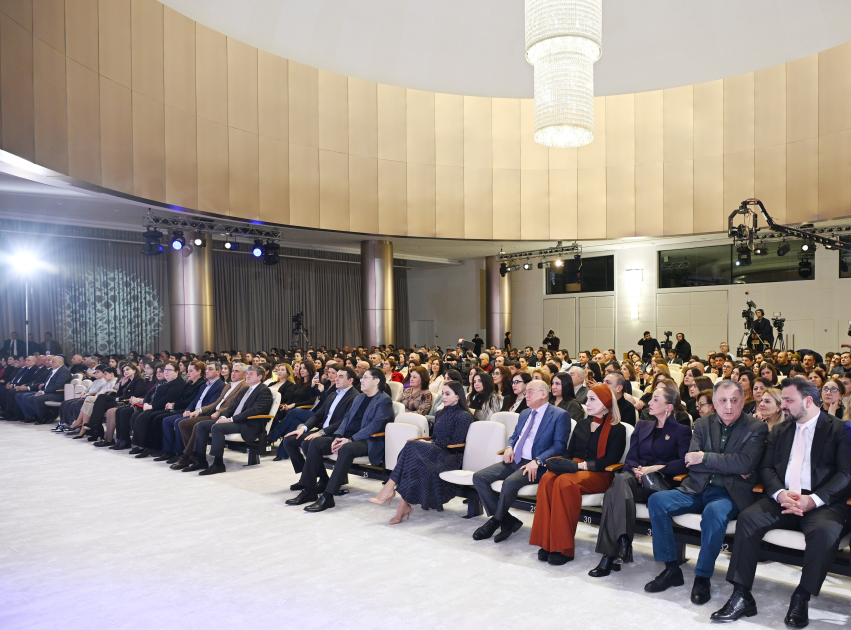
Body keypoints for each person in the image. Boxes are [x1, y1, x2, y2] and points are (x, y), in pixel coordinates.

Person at [712, 377, 851, 626]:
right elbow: (766, 468)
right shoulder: (780, 430)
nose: (783, 405)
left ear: (808, 401)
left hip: (823, 503)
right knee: (748, 519)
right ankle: (741, 595)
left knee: (825, 532)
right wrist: (779, 493)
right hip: (783, 498)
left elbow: (846, 473)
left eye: (788, 400)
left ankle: (802, 596)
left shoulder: (839, 429)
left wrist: (814, 500)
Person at [645, 380, 768, 606]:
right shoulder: (702, 424)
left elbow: (745, 463)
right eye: (723, 400)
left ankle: (702, 577)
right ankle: (671, 569)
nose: (728, 406)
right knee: (657, 501)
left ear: (743, 401)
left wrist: (705, 457)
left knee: (714, 512)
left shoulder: (756, 427)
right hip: (695, 488)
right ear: (714, 403)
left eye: (734, 400)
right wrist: (729, 464)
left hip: (728, 494)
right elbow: (691, 461)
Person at [589, 386, 691, 577]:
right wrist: (638, 471)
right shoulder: (642, 425)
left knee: (612, 493)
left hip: (659, 486)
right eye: (651, 399)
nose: (649, 403)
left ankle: (613, 552)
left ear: (669, 406)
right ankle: (620, 544)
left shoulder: (681, 431)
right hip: (634, 481)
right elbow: (631, 457)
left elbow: (683, 464)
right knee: (621, 482)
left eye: (656, 399)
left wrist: (655, 468)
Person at [529, 384, 627, 565]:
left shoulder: (617, 429)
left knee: (564, 482)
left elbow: (610, 460)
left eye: (592, 399)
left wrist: (581, 466)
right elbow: (569, 452)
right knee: (548, 478)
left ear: (605, 403)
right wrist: (564, 465)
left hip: (599, 473)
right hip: (574, 468)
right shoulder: (582, 424)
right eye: (587, 398)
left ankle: (564, 548)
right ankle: (547, 542)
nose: (587, 403)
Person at [471, 381, 570, 544]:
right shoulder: (525, 413)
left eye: (530, 391)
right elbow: (515, 436)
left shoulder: (559, 415)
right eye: (526, 392)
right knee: (479, 477)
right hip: (515, 460)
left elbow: (559, 446)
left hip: (535, 465)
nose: (526, 395)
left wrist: (538, 460)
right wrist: (509, 447)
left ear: (543, 394)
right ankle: (508, 521)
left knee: (509, 483)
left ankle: (495, 521)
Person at [286, 368, 394, 512]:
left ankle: (328, 496)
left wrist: (351, 439)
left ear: (376, 381)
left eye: (365, 377)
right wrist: (337, 437)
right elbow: (346, 419)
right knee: (313, 442)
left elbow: (375, 426)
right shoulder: (360, 398)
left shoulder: (384, 400)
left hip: (367, 441)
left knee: (346, 448)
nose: (361, 380)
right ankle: (309, 490)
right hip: (346, 437)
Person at [369, 381, 475, 523]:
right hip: (435, 452)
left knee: (412, 446)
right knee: (412, 459)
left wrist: (431, 443)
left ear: (458, 396)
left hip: (449, 456)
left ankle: (390, 489)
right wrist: (431, 442)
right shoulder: (440, 413)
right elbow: (435, 437)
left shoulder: (464, 416)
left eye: (447, 394)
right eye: (443, 393)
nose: (443, 397)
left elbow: (456, 442)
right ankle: (401, 506)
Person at [187, 365, 273, 475]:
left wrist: (231, 419)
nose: (247, 375)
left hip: (248, 424)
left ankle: (218, 464)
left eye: (251, 373)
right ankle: (200, 460)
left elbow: (254, 410)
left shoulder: (264, 391)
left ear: (260, 377)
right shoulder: (246, 389)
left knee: (217, 428)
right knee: (202, 425)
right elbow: (233, 407)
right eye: (247, 373)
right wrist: (223, 417)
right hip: (237, 421)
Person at [169, 364, 248, 469]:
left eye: (237, 371)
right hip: (213, 413)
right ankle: (193, 455)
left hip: (224, 416)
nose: (233, 373)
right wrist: (200, 410)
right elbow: (216, 403)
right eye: (232, 370)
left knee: (197, 425)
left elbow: (234, 406)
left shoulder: (244, 387)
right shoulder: (228, 386)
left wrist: (219, 412)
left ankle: (187, 456)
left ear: (244, 374)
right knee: (183, 423)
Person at [281, 367, 358, 472]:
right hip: (323, 431)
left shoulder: (355, 397)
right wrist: (303, 428)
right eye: (336, 376)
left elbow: (344, 421)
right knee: (289, 440)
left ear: (350, 380)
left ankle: (311, 477)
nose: (336, 379)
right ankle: (307, 474)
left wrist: (322, 432)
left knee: (307, 443)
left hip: (336, 434)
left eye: (340, 376)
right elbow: (318, 415)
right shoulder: (333, 394)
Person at [155, 362, 225, 463]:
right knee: (167, 420)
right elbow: (195, 400)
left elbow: (212, 404)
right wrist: (188, 409)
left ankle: (182, 453)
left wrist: (197, 411)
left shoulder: (221, 386)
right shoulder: (204, 385)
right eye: (206, 369)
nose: (207, 371)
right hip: (194, 412)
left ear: (218, 372)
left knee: (179, 422)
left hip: (206, 414)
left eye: (210, 369)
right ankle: (169, 452)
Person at [17, 355, 71, 423]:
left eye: (53, 361)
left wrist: (43, 392)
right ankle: (43, 415)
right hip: (49, 392)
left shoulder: (64, 371)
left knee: (37, 398)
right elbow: (47, 383)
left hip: (58, 394)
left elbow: (57, 386)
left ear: (60, 363)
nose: (51, 363)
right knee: (28, 398)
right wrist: (42, 389)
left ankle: (45, 417)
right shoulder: (54, 370)